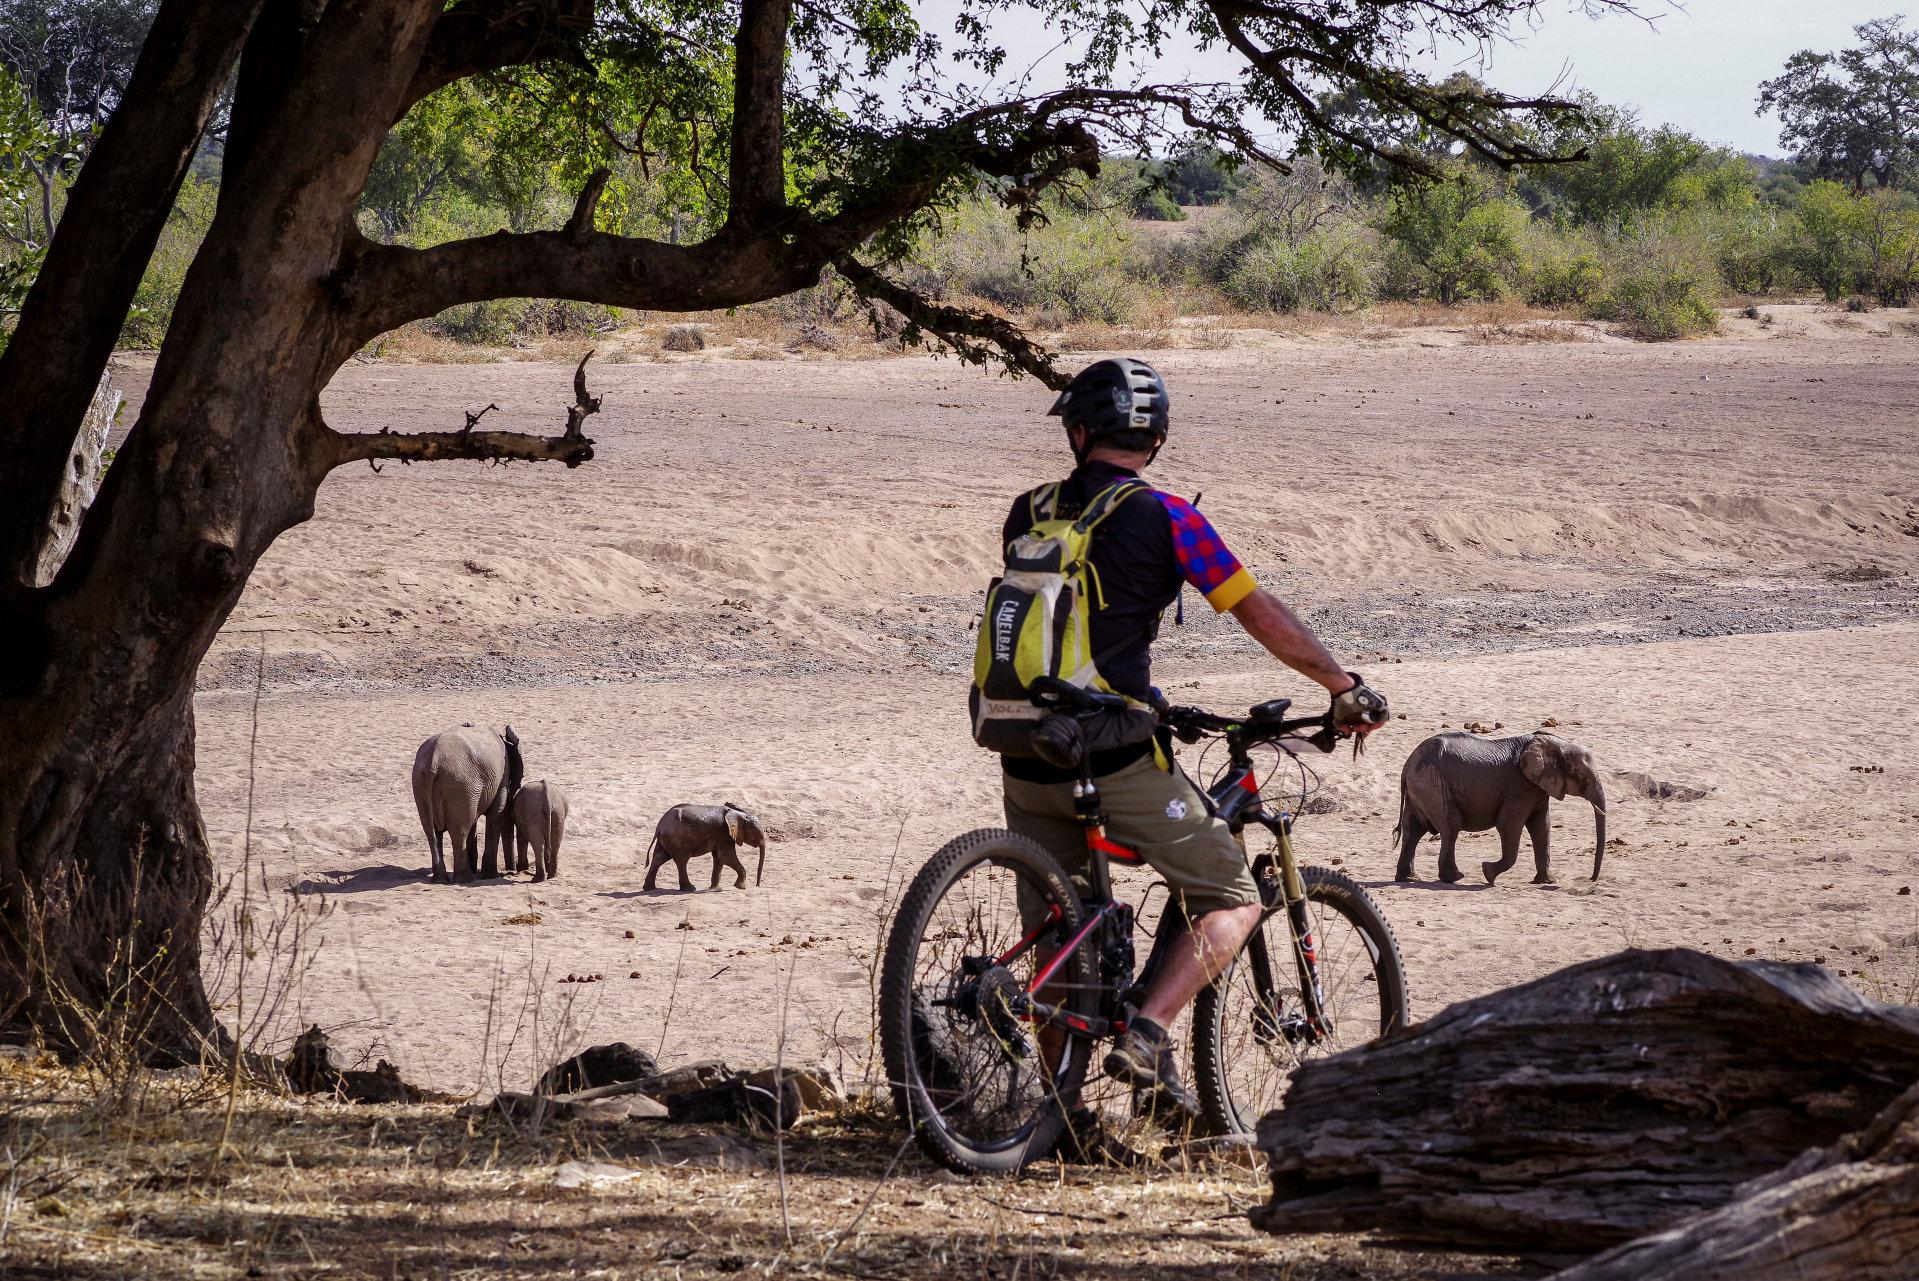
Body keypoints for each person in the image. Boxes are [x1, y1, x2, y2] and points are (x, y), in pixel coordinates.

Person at [998, 357, 1388, 1119]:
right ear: (1157, 438)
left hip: (1025, 745)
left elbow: (1063, 629)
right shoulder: (1170, 517)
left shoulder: (1028, 510)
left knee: (1060, 932)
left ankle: (1057, 1115)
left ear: (1079, 433)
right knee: (1230, 894)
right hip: (1112, 751)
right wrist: (1341, 688)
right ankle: (1147, 1031)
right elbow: (1256, 610)